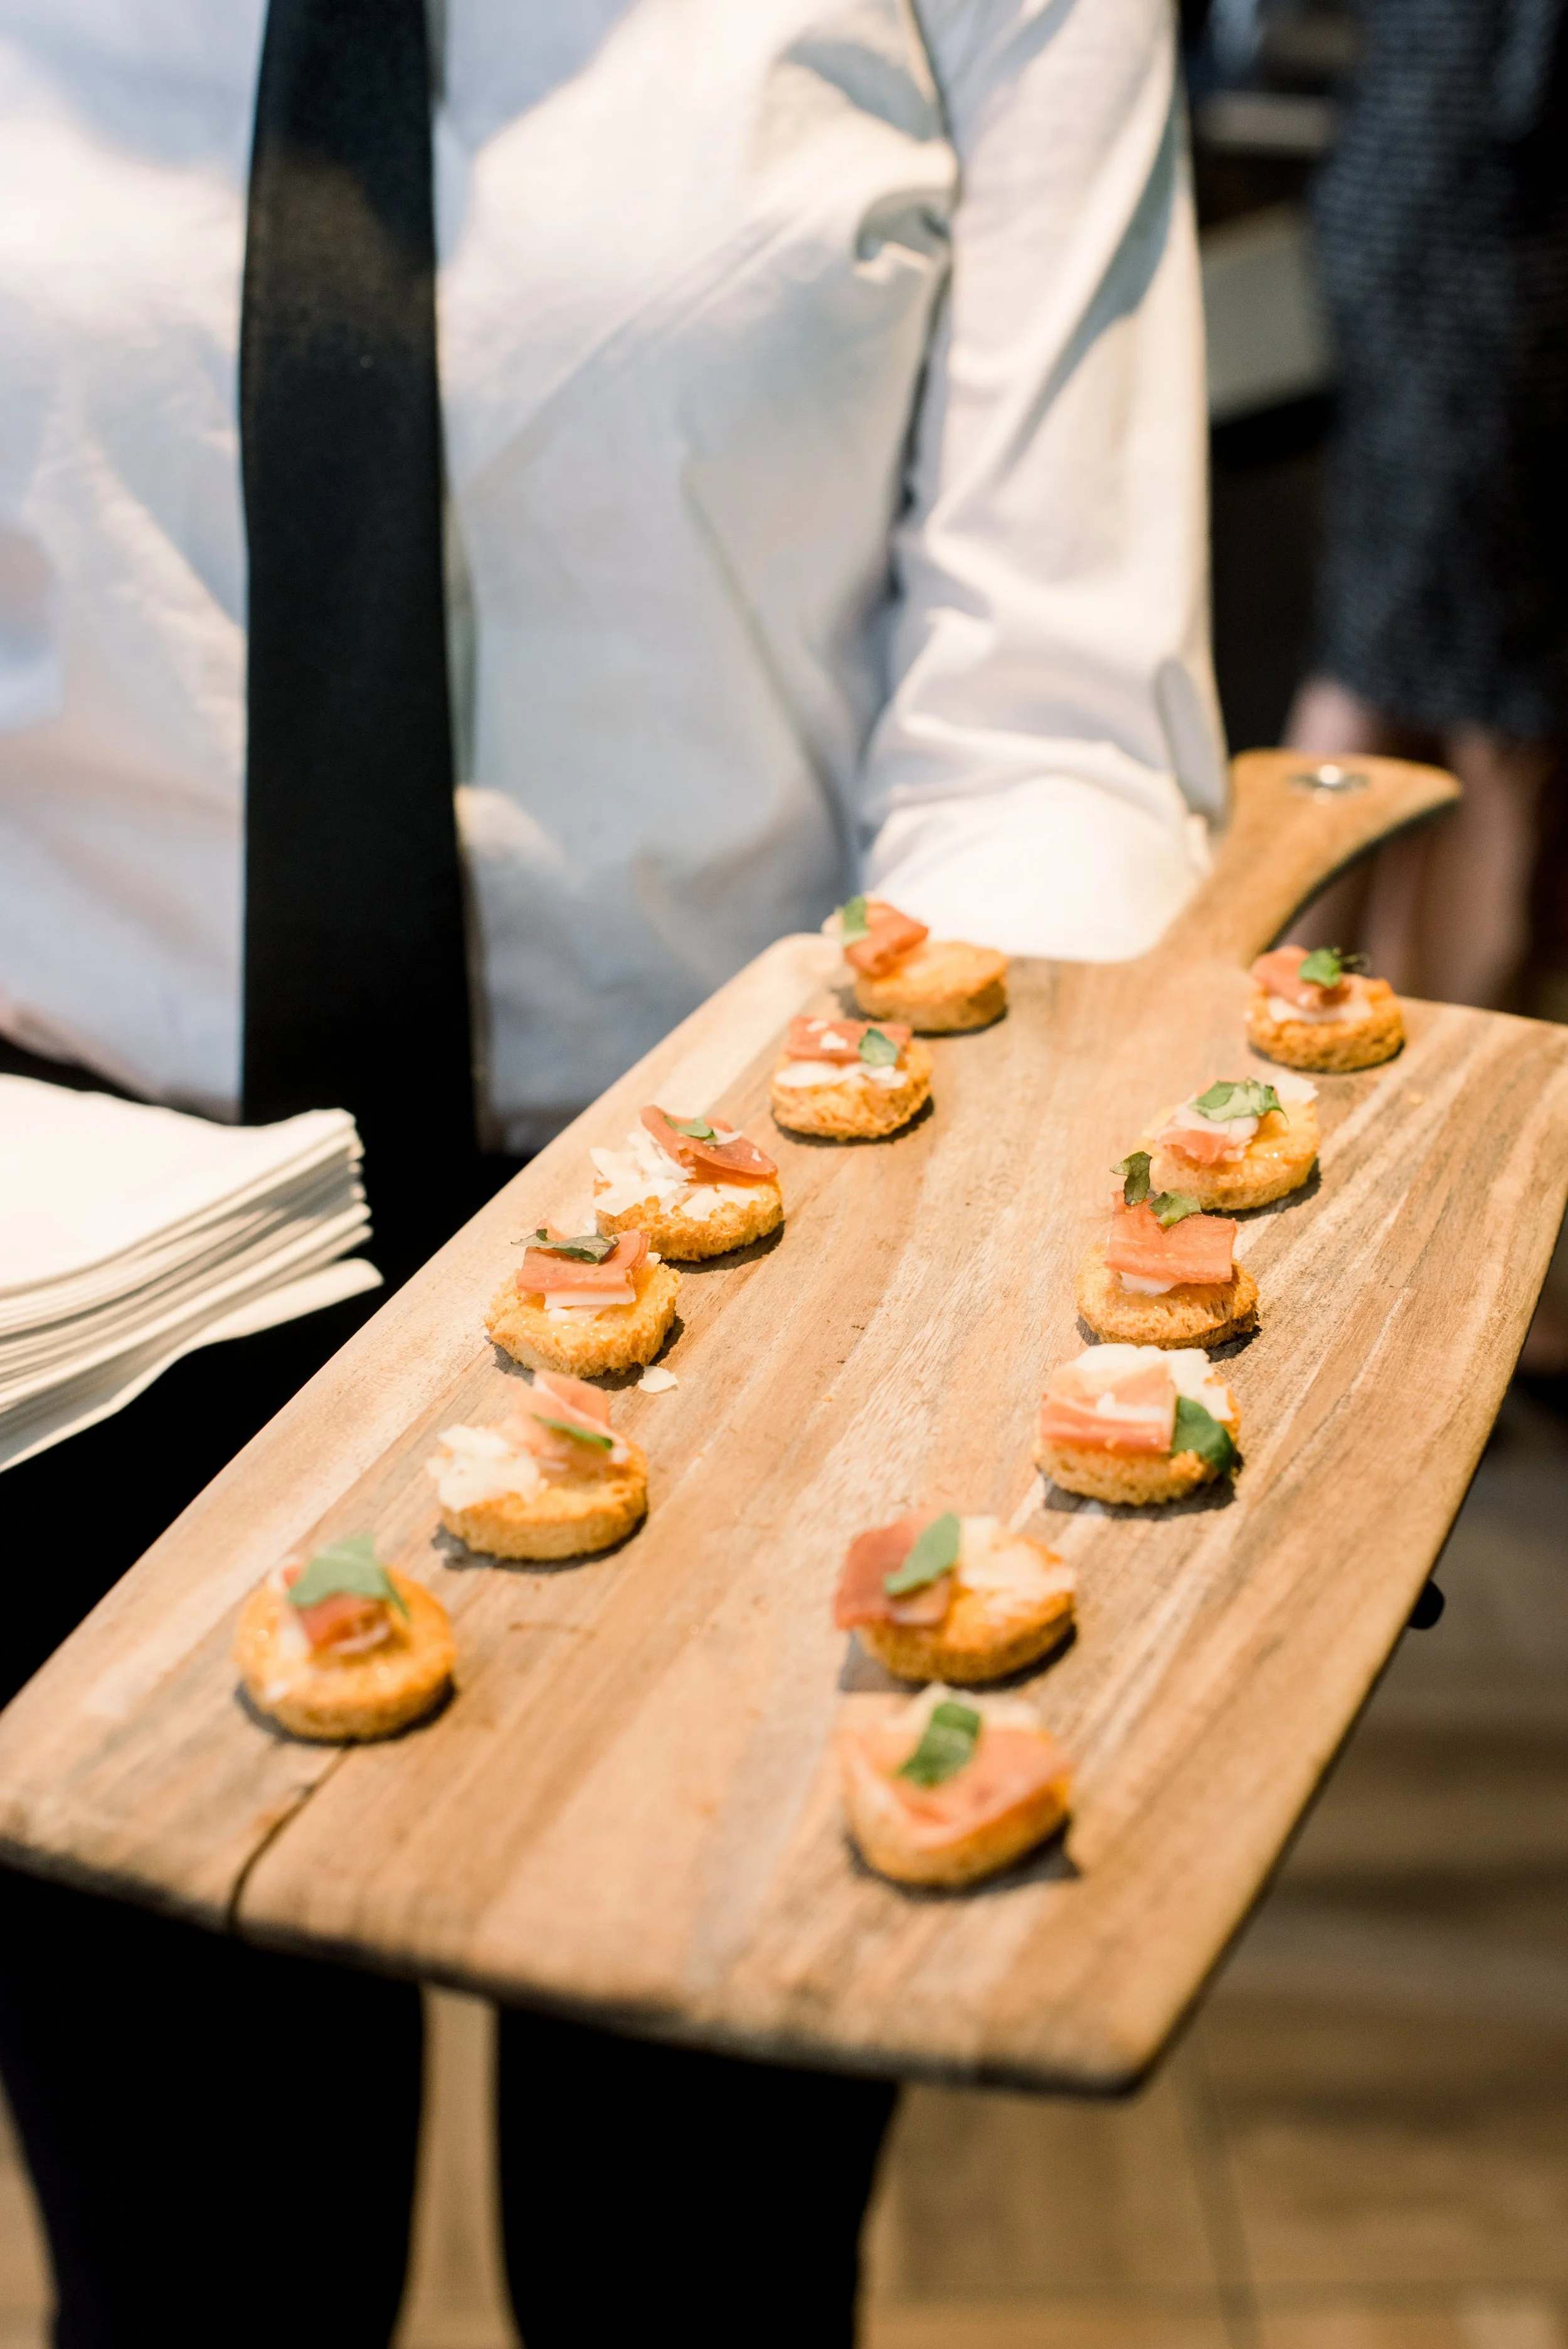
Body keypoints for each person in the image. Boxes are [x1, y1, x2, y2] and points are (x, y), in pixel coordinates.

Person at [0, 1, 1224, 2341]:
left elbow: (1050, 715)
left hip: (776, 1246)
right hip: (76, 1277)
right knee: (185, 2265)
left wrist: (953, 1289)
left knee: (707, 2267)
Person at [1286, 0, 1568, 1014]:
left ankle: (1312, 1044)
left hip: (1418, 203)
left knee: (1393, 666)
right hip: (1494, 234)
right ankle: (1440, 1080)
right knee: (1497, 715)